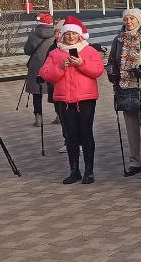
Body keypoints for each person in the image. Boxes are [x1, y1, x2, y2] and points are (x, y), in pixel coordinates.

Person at [40, 17, 105, 185]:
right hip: (64, 100)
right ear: (62, 35)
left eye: (73, 34)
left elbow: (98, 71)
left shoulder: (89, 51)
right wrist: (60, 67)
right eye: (67, 34)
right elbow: (46, 74)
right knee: (70, 136)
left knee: (86, 134)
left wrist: (81, 64)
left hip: (85, 99)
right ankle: (74, 170)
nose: (70, 37)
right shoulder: (55, 53)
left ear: (79, 36)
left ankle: (89, 170)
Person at [107, 8, 141, 178]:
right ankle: (135, 162)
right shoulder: (118, 41)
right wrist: (112, 73)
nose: (129, 21)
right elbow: (111, 62)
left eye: (132, 18)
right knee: (131, 128)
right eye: (126, 19)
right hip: (125, 88)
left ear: (139, 20)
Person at [23, 13, 58, 127]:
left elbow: (27, 51)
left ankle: (38, 118)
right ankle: (59, 115)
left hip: (36, 66)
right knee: (55, 91)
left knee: (37, 93)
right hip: (53, 65)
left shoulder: (33, 35)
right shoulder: (56, 34)